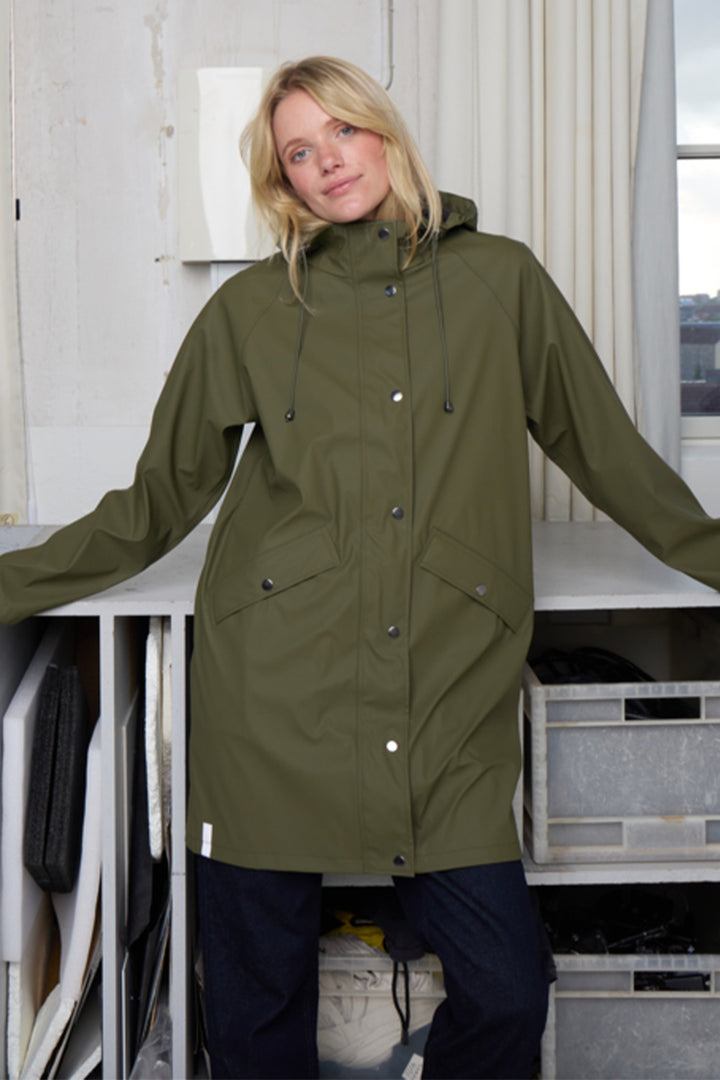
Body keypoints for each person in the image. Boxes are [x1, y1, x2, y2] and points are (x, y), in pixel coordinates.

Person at [1, 54, 720, 1080]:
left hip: (445, 691)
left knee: (509, 989)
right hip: (272, 697)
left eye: (340, 131)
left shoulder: (502, 281)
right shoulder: (253, 310)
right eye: (299, 151)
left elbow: (609, 455)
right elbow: (158, 501)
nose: (327, 162)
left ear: (382, 130)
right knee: (254, 1015)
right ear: (281, 182)